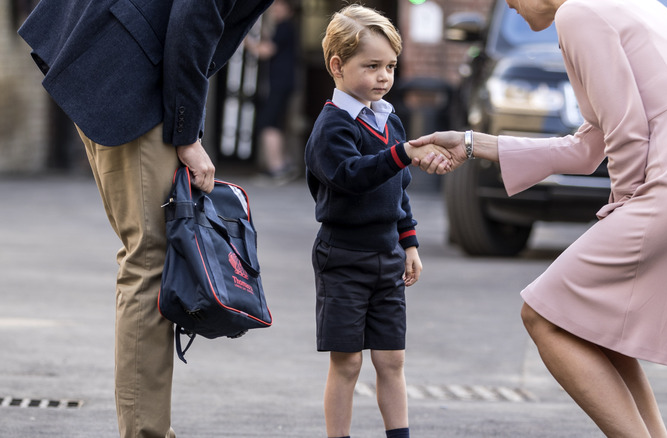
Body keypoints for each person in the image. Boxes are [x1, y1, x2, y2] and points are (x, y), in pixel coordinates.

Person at [411, 0, 667, 436]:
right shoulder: (628, 5)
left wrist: (624, 205)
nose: (508, 3)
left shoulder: (579, 14)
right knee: (595, 325)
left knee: (543, 316)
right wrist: (471, 142)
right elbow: (589, 144)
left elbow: (626, 133)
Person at [18, 1, 276, 436]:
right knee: (151, 261)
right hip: (130, 70)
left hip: (112, 55)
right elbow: (193, 20)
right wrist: (187, 132)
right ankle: (145, 432)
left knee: (145, 256)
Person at [304, 5, 450, 438]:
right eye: (371, 66)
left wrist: (409, 244)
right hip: (343, 257)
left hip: (388, 255)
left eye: (389, 66)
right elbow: (352, 176)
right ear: (337, 66)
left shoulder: (391, 120)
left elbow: (396, 189)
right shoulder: (332, 128)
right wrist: (402, 154)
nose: (384, 76)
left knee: (392, 360)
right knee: (347, 361)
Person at [244, 0, 299, 182]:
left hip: (279, 83)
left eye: (279, 6)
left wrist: (243, 38)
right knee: (275, 122)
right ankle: (282, 165)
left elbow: (265, 51)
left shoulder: (284, 27)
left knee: (267, 122)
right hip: (282, 83)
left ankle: (277, 168)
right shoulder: (284, 28)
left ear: (288, 10)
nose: (275, 9)